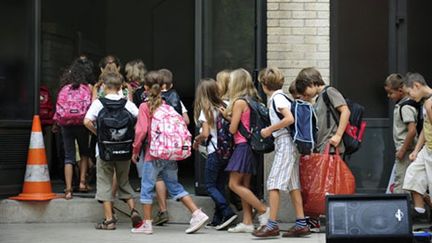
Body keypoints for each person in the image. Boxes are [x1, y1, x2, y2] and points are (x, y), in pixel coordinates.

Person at [131, 71, 209, 234]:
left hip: (153, 155)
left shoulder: (145, 106)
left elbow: (141, 131)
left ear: (145, 87)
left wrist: (135, 150)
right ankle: (197, 213)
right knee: (174, 186)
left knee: (146, 188)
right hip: (169, 154)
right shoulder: (167, 106)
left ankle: (147, 224)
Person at [253, 67, 310, 238]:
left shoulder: (277, 99)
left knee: (273, 183)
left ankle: (271, 225)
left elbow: (289, 119)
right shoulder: (283, 96)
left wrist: (268, 130)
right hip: (289, 144)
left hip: (285, 143)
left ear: (263, 84)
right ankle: (301, 223)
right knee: (293, 185)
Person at [83, 69, 142, 230]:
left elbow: (87, 121)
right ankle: (133, 210)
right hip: (124, 150)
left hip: (104, 150)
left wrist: (98, 133)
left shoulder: (98, 103)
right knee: (124, 182)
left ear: (103, 85)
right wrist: (130, 132)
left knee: (104, 184)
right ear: (121, 86)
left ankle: (109, 220)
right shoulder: (127, 103)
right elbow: (140, 119)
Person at [294, 67, 350, 231]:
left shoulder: (329, 92)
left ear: (312, 83)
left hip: (332, 147)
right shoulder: (319, 98)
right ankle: (316, 219)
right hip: (323, 149)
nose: (305, 95)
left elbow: (345, 111)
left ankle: (338, 221)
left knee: (333, 186)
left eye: (305, 91)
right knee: (322, 186)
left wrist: (338, 135)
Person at [220, 68, 269, 233]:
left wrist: (227, 118)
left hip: (242, 146)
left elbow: (234, 129)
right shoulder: (253, 100)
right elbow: (244, 124)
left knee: (233, 184)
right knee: (244, 184)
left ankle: (262, 209)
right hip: (251, 147)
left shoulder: (239, 102)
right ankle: (247, 222)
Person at [192, 78, 238, 230]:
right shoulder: (225, 105)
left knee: (210, 186)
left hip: (214, 152)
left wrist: (197, 139)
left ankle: (227, 211)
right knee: (219, 185)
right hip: (228, 152)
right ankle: (218, 219)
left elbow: (205, 133)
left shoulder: (206, 110)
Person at [149, 68, 191, 226]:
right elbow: (186, 120)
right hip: (173, 147)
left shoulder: (153, 100)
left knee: (158, 177)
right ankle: (195, 212)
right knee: (173, 180)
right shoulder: (176, 98)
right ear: (171, 84)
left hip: (158, 146)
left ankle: (163, 210)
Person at [52, 59, 93, 199]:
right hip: (82, 124)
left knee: (69, 156)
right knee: (84, 153)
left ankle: (68, 189)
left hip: (65, 124)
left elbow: (58, 108)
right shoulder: (87, 88)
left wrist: (55, 123)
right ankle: (82, 183)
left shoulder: (64, 88)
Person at [403, 72, 432, 217]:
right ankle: (419, 213)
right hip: (427, 149)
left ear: (416, 85)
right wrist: (416, 150)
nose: (409, 97)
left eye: (409, 92)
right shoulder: (424, 103)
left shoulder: (429, 103)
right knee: (413, 174)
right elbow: (426, 130)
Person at [384, 73, 418, 193]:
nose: (389, 96)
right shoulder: (403, 105)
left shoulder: (405, 107)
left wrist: (402, 150)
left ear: (400, 90)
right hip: (406, 151)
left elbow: (412, 131)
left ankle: (399, 210)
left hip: (406, 151)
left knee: (401, 185)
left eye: (390, 93)